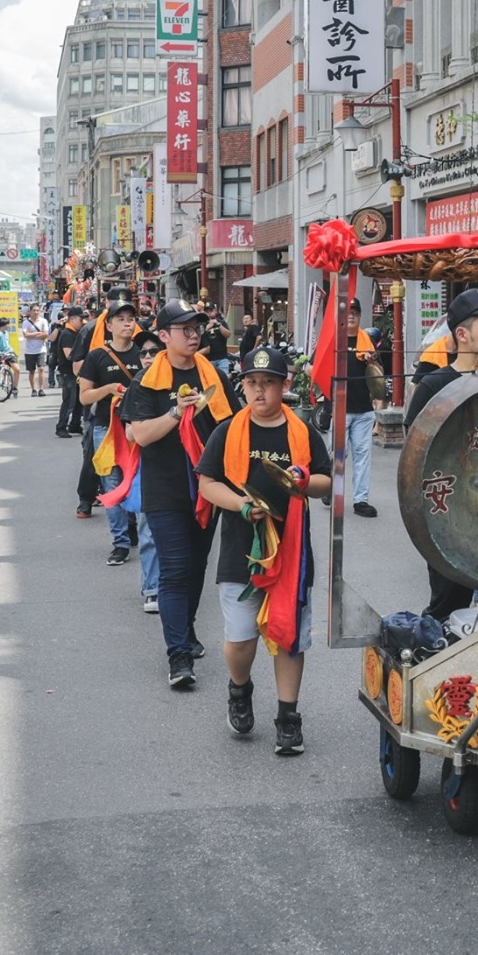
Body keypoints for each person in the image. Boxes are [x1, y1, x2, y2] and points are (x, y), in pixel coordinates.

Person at [195, 345, 331, 755]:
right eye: (251, 383)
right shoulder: (227, 430)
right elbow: (207, 483)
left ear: (283, 386)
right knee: (240, 639)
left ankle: (288, 718)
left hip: (291, 552)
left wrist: (304, 479)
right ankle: (240, 689)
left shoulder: (302, 432)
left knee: (289, 637)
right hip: (242, 550)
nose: (259, 391)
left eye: (267, 383)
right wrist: (242, 505)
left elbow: (327, 481)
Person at [120, 301, 238, 687]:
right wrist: (175, 412)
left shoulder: (213, 378)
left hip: (208, 488)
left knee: (196, 567)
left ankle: (184, 632)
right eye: (184, 328)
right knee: (173, 571)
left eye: (196, 328)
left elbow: (234, 426)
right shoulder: (147, 382)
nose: (193, 335)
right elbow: (138, 434)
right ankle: (178, 657)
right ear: (164, 335)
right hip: (166, 487)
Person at [405, 288, 478, 619]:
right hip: (450, 516)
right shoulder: (435, 385)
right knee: (450, 605)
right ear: (462, 334)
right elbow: (414, 449)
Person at [81, 302, 143, 564]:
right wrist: (108, 389)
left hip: (138, 431)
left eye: (131, 318)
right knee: (111, 484)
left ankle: (132, 525)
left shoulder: (144, 355)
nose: (127, 323)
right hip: (105, 430)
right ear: (108, 326)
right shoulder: (97, 357)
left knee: (137, 483)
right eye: (121, 319)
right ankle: (120, 543)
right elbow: (84, 397)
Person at [342, 300, 381, 519]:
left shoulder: (368, 343)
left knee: (362, 456)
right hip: (339, 409)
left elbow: (379, 378)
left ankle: (361, 500)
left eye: (355, 312)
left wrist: (371, 362)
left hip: (363, 409)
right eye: (347, 312)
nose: (351, 316)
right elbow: (314, 367)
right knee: (337, 455)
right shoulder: (332, 340)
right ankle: (331, 490)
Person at [53, 309, 88, 437]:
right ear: (72, 319)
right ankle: (61, 427)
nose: (82, 322)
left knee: (79, 401)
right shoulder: (67, 334)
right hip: (68, 372)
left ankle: (74, 424)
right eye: (80, 319)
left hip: (76, 373)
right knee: (69, 401)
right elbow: (69, 355)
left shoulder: (75, 333)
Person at [22, 306, 50, 397]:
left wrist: (32, 335)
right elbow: (26, 335)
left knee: (41, 368)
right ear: (30, 311)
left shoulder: (43, 321)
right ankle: (33, 389)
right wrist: (38, 333)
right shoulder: (26, 322)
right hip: (29, 351)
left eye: (38, 310)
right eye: (34, 310)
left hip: (41, 350)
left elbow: (45, 334)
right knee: (31, 371)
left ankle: (41, 389)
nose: (36, 312)